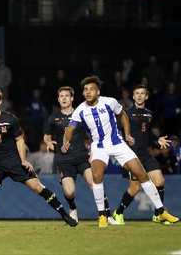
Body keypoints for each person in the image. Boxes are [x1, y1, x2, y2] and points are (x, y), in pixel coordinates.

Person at [62, 76, 178, 227]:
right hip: (99, 146)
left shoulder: (110, 102)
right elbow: (70, 129)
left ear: (98, 91)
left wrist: (128, 134)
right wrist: (65, 142)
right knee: (97, 176)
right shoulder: (80, 110)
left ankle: (161, 211)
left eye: (91, 89)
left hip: (117, 144)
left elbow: (123, 116)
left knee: (142, 174)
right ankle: (102, 215)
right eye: (85, 89)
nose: (88, 92)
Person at [0, 87, 77, 228]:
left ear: (0, 101)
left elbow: (20, 140)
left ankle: (65, 216)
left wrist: (23, 161)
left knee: (38, 188)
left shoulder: (10, 119)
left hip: (14, 161)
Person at [44, 86, 118, 224]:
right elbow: (46, 136)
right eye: (61, 96)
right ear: (58, 99)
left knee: (95, 182)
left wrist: (92, 149)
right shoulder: (53, 117)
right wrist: (48, 141)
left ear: (72, 98)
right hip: (64, 159)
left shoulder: (81, 113)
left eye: (67, 96)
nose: (64, 98)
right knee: (70, 192)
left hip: (82, 157)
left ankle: (107, 215)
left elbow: (93, 133)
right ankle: (73, 208)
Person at [113, 84, 175, 225]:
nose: (139, 95)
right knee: (135, 189)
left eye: (142, 93)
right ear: (133, 96)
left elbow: (147, 132)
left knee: (159, 181)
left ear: (146, 96)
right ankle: (118, 212)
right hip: (131, 156)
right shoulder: (126, 114)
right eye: (137, 93)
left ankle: (158, 215)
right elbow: (114, 129)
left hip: (146, 155)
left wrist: (157, 138)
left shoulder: (148, 113)